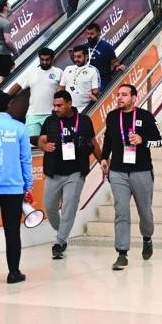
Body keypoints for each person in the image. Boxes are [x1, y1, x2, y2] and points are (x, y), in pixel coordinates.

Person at [99, 84, 162, 271]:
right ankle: (122, 253)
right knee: (121, 211)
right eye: (118, 95)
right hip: (118, 171)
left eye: (124, 95)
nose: (119, 98)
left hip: (141, 171)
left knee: (145, 212)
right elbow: (108, 140)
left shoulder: (145, 116)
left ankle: (147, 238)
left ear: (134, 98)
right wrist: (104, 158)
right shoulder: (112, 117)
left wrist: (143, 140)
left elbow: (160, 141)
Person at [38, 90, 100, 260]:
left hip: (76, 172)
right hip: (53, 172)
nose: (56, 108)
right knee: (50, 207)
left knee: (69, 207)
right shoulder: (50, 121)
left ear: (69, 104)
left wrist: (103, 161)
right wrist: (44, 147)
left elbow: (93, 143)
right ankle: (63, 232)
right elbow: (41, 140)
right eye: (54, 105)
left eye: (59, 105)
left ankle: (59, 242)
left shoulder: (84, 121)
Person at [0, 90, 33, 285]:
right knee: (12, 232)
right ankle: (13, 273)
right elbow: (25, 159)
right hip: (14, 188)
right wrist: (28, 185)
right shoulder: (19, 128)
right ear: (8, 105)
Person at [9, 47, 62, 144]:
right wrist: (5, 97)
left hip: (52, 114)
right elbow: (18, 85)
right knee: (31, 144)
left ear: (52, 59)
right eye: (42, 60)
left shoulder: (59, 72)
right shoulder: (32, 72)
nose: (44, 62)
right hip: (33, 115)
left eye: (47, 60)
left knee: (53, 143)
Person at [59, 44, 100, 112]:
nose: (76, 59)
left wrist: (95, 96)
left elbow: (95, 91)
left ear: (87, 56)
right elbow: (61, 88)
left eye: (79, 57)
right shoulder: (67, 69)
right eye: (74, 56)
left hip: (85, 109)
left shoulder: (92, 71)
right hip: (68, 109)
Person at [83, 23, 125, 91]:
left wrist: (118, 66)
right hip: (88, 82)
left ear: (99, 33)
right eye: (88, 34)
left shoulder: (106, 46)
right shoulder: (84, 47)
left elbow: (114, 61)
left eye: (92, 34)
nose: (89, 36)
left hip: (102, 82)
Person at [0, 0, 20, 77]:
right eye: (8, 4)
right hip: (3, 52)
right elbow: (8, 40)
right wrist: (15, 50)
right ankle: (5, 84)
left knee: (9, 68)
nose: (10, 6)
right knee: (4, 74)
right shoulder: (5, 22)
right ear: (5, 7)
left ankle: (5, 83)